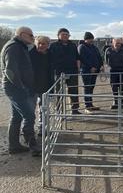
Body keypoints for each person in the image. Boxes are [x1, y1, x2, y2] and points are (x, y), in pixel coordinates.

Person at [1, 26, 41, 156]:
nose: (33, 38)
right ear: (22, 35)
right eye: (31, 35)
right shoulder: (13, 47)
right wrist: (21, 87)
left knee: (16, 116)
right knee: (29, 115)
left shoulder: (19, 46)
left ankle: (14, 146)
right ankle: (32, 145)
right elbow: (10, 71)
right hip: (16, 89)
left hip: (16, 88)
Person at [49, 28, 81, 114]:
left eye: (67, 35)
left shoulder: (73, 45)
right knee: (59, 92)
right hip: (59, 72)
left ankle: (75, 109)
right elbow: (50, 59)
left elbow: (77, 57)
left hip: (72, 71)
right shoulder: (53, 46)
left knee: (74, 91)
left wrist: (78, 68)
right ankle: (59, 111)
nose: (65, 36)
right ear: (58, 35)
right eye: (63, 34)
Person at [29, 36, 53, 136]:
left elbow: (51, 70)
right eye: (39, 43)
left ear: (48, 45)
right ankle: (28, 131)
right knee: (30, 110)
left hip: (45, 85)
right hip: (32, 86)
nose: (41, 46)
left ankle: (42, 129)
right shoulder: (30, 54)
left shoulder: (50, 54)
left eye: (43, 44)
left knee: (44, 109)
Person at [78, 32, 103, 114]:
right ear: (86, 39)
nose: (91, 40)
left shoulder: (94, 47)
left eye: (92, 39)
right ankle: (87, 106)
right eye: (89, 39)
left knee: (91, 87)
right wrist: (90, 67)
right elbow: (82, 59)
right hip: (86, 71)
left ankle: (90, 104)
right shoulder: (82, 47)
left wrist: (101, 65)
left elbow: (99, 57)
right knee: (87, 87)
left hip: (94, 71)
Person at [105, 38, 123, 109]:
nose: (118, 44)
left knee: (122, 87)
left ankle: (122, 102)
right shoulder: (108, 50)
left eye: (119, 43)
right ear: (113, 43)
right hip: (113, 71)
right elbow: (106, 60)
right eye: (116, 43)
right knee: (114, 87)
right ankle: (115, 102)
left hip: (122, 71)